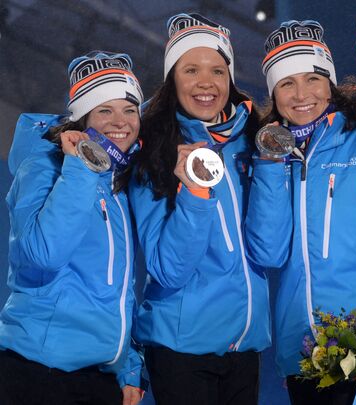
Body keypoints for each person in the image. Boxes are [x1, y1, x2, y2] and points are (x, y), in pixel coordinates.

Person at [245, 20, 356, 405]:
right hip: (304, 356)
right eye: (286, 84)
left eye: (312, 79)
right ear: (274, 94)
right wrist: (270, 165)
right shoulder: (273, 160)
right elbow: (268, 252)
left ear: (329, 83)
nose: (301, 95)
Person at [128, 13, 271, 405]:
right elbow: (168, 268)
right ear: (173, 79)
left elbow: (271, 248)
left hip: (244, 345)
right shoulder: (153, 149)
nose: (206, 83)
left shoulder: (254, 140)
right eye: (191, 70)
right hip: (182, 349)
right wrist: (193, 190)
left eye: (218, 71)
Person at [0, 51, 145, 405]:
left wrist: (128, 367)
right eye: (104, 110)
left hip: (97, 377)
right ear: (82, 119)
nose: (120, 121)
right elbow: (44, 253)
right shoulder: (43, 166)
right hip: (38, 374)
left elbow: (119, 289)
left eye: (129, 110)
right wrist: (81, 166)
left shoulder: (119, 182)